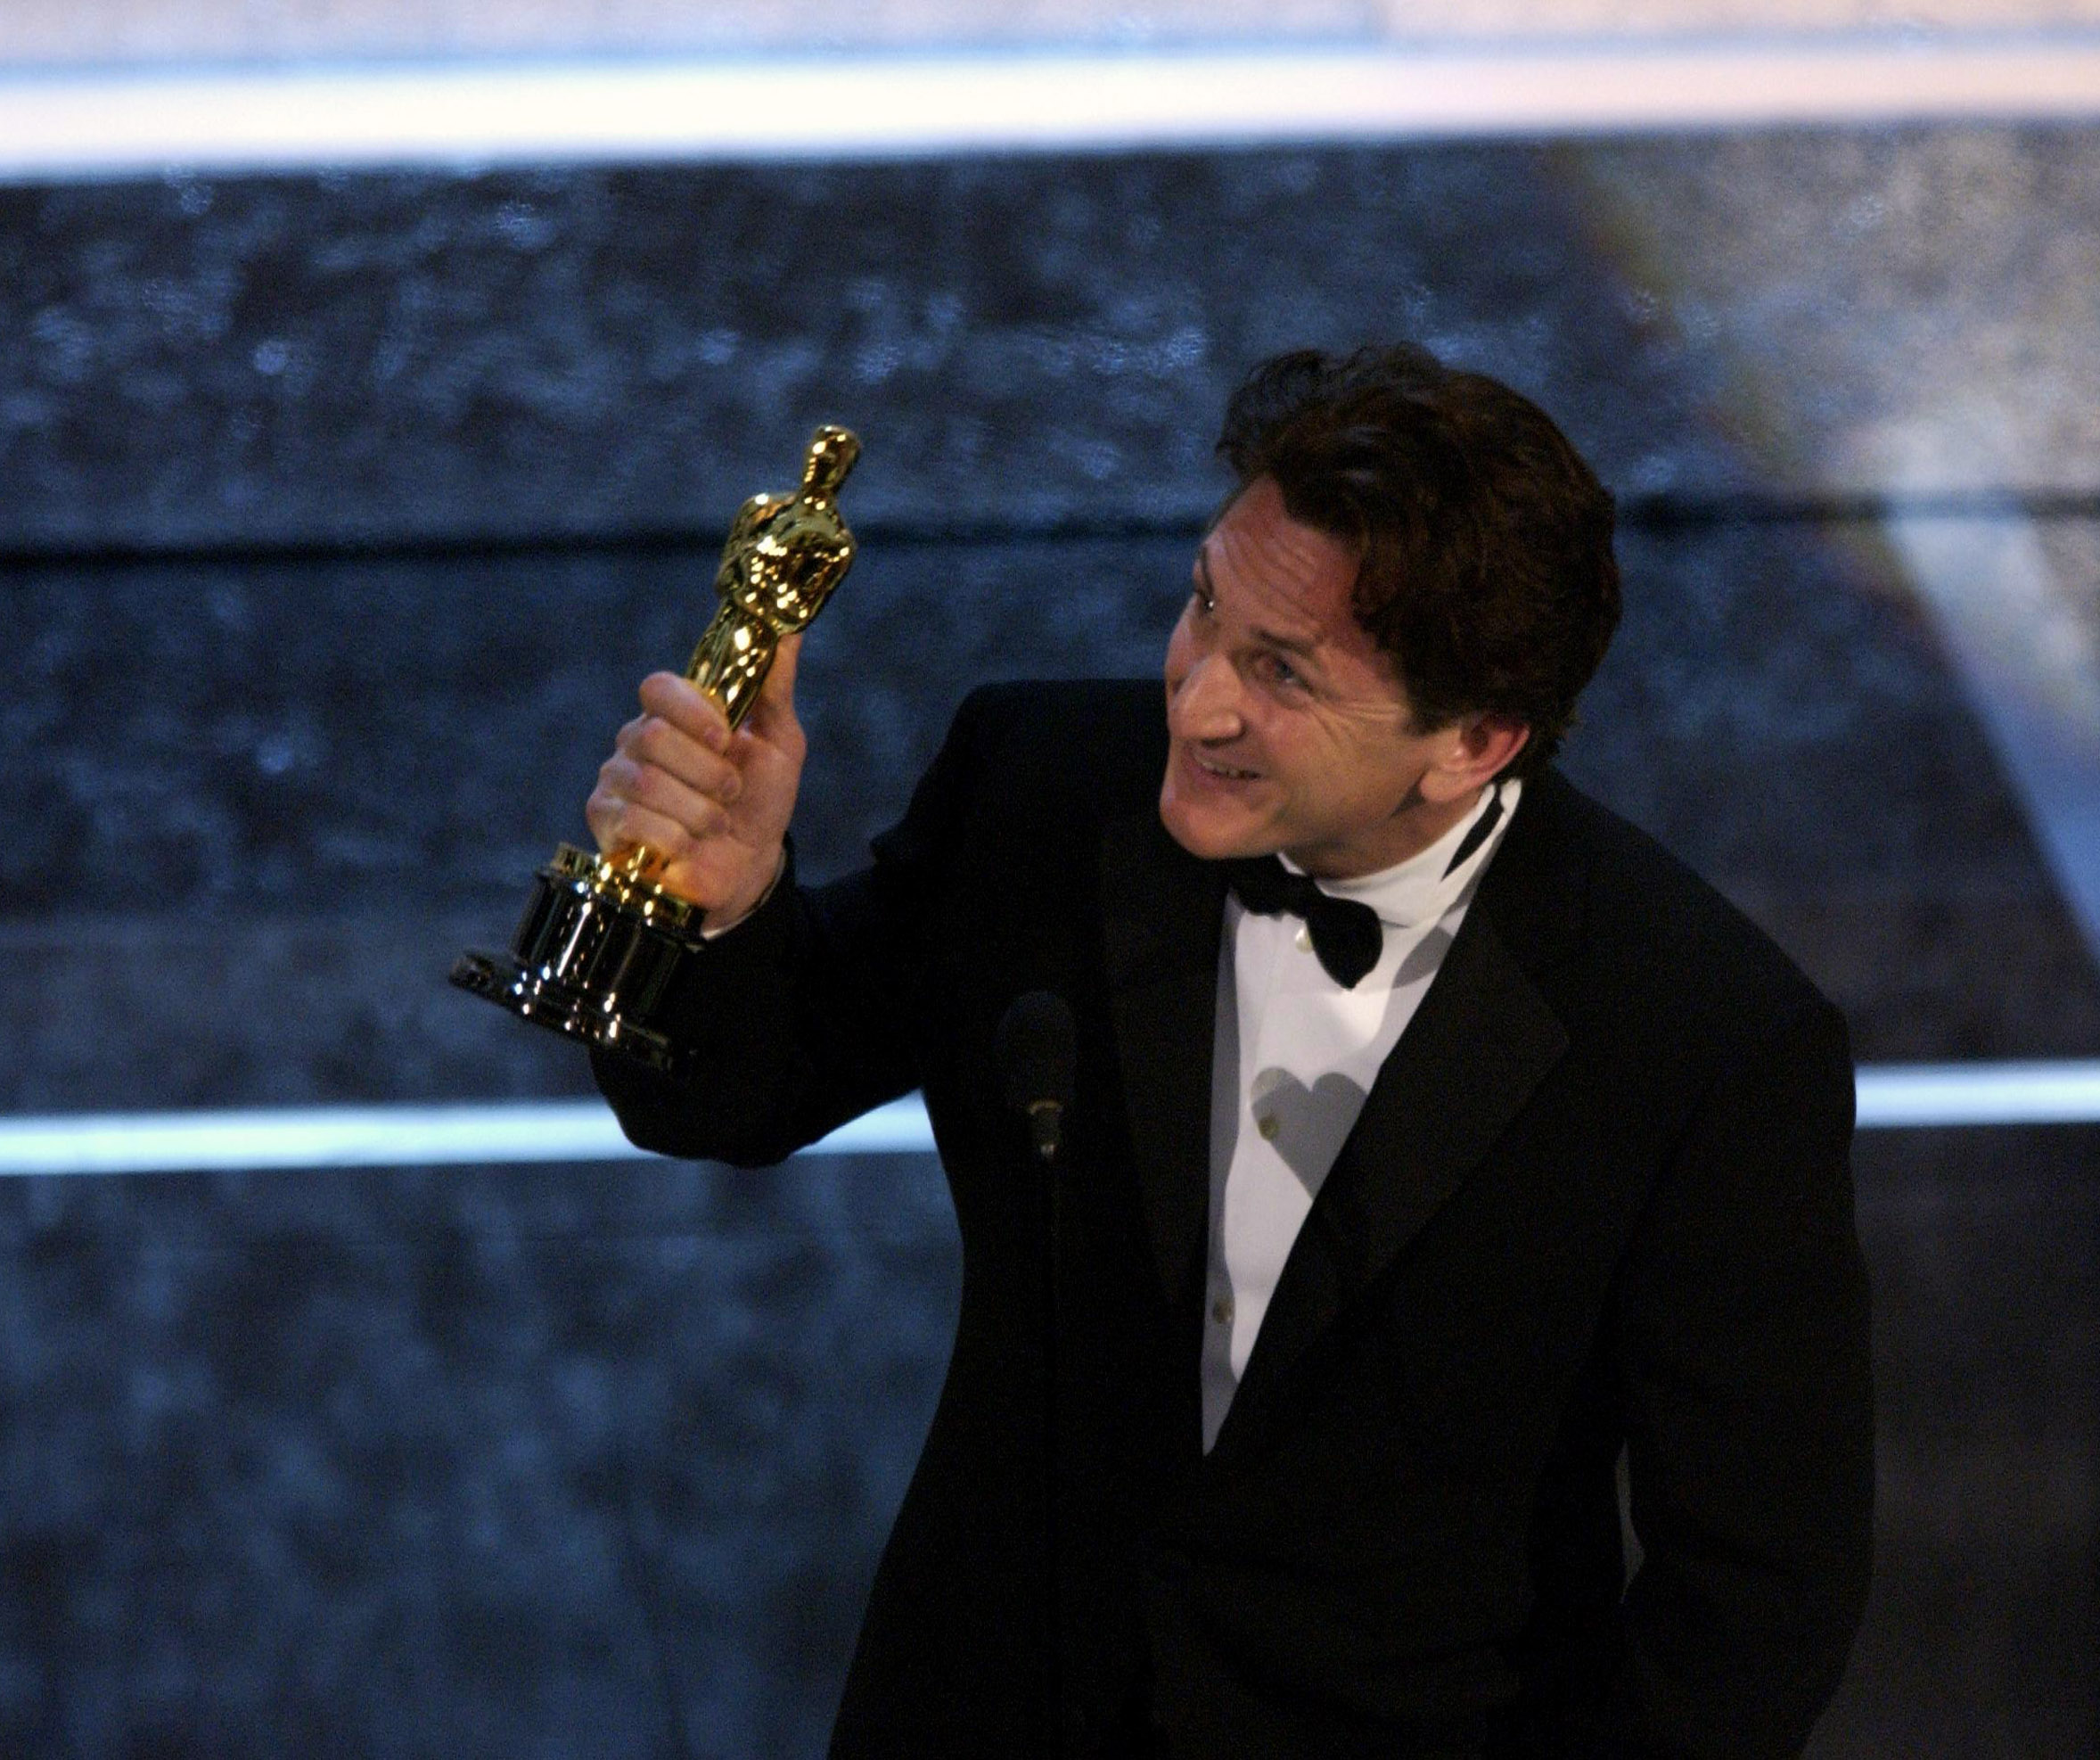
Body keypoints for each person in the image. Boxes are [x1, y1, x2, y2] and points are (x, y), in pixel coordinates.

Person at [587, 345, 1873, 1757]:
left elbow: (1757, 1602)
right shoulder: (1043, 791)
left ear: (1475, 740)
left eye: (1281, 673)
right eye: (1205, 604)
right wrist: (719, 904)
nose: (1193, 699)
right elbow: (737, 1088)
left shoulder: (1701, 1036)